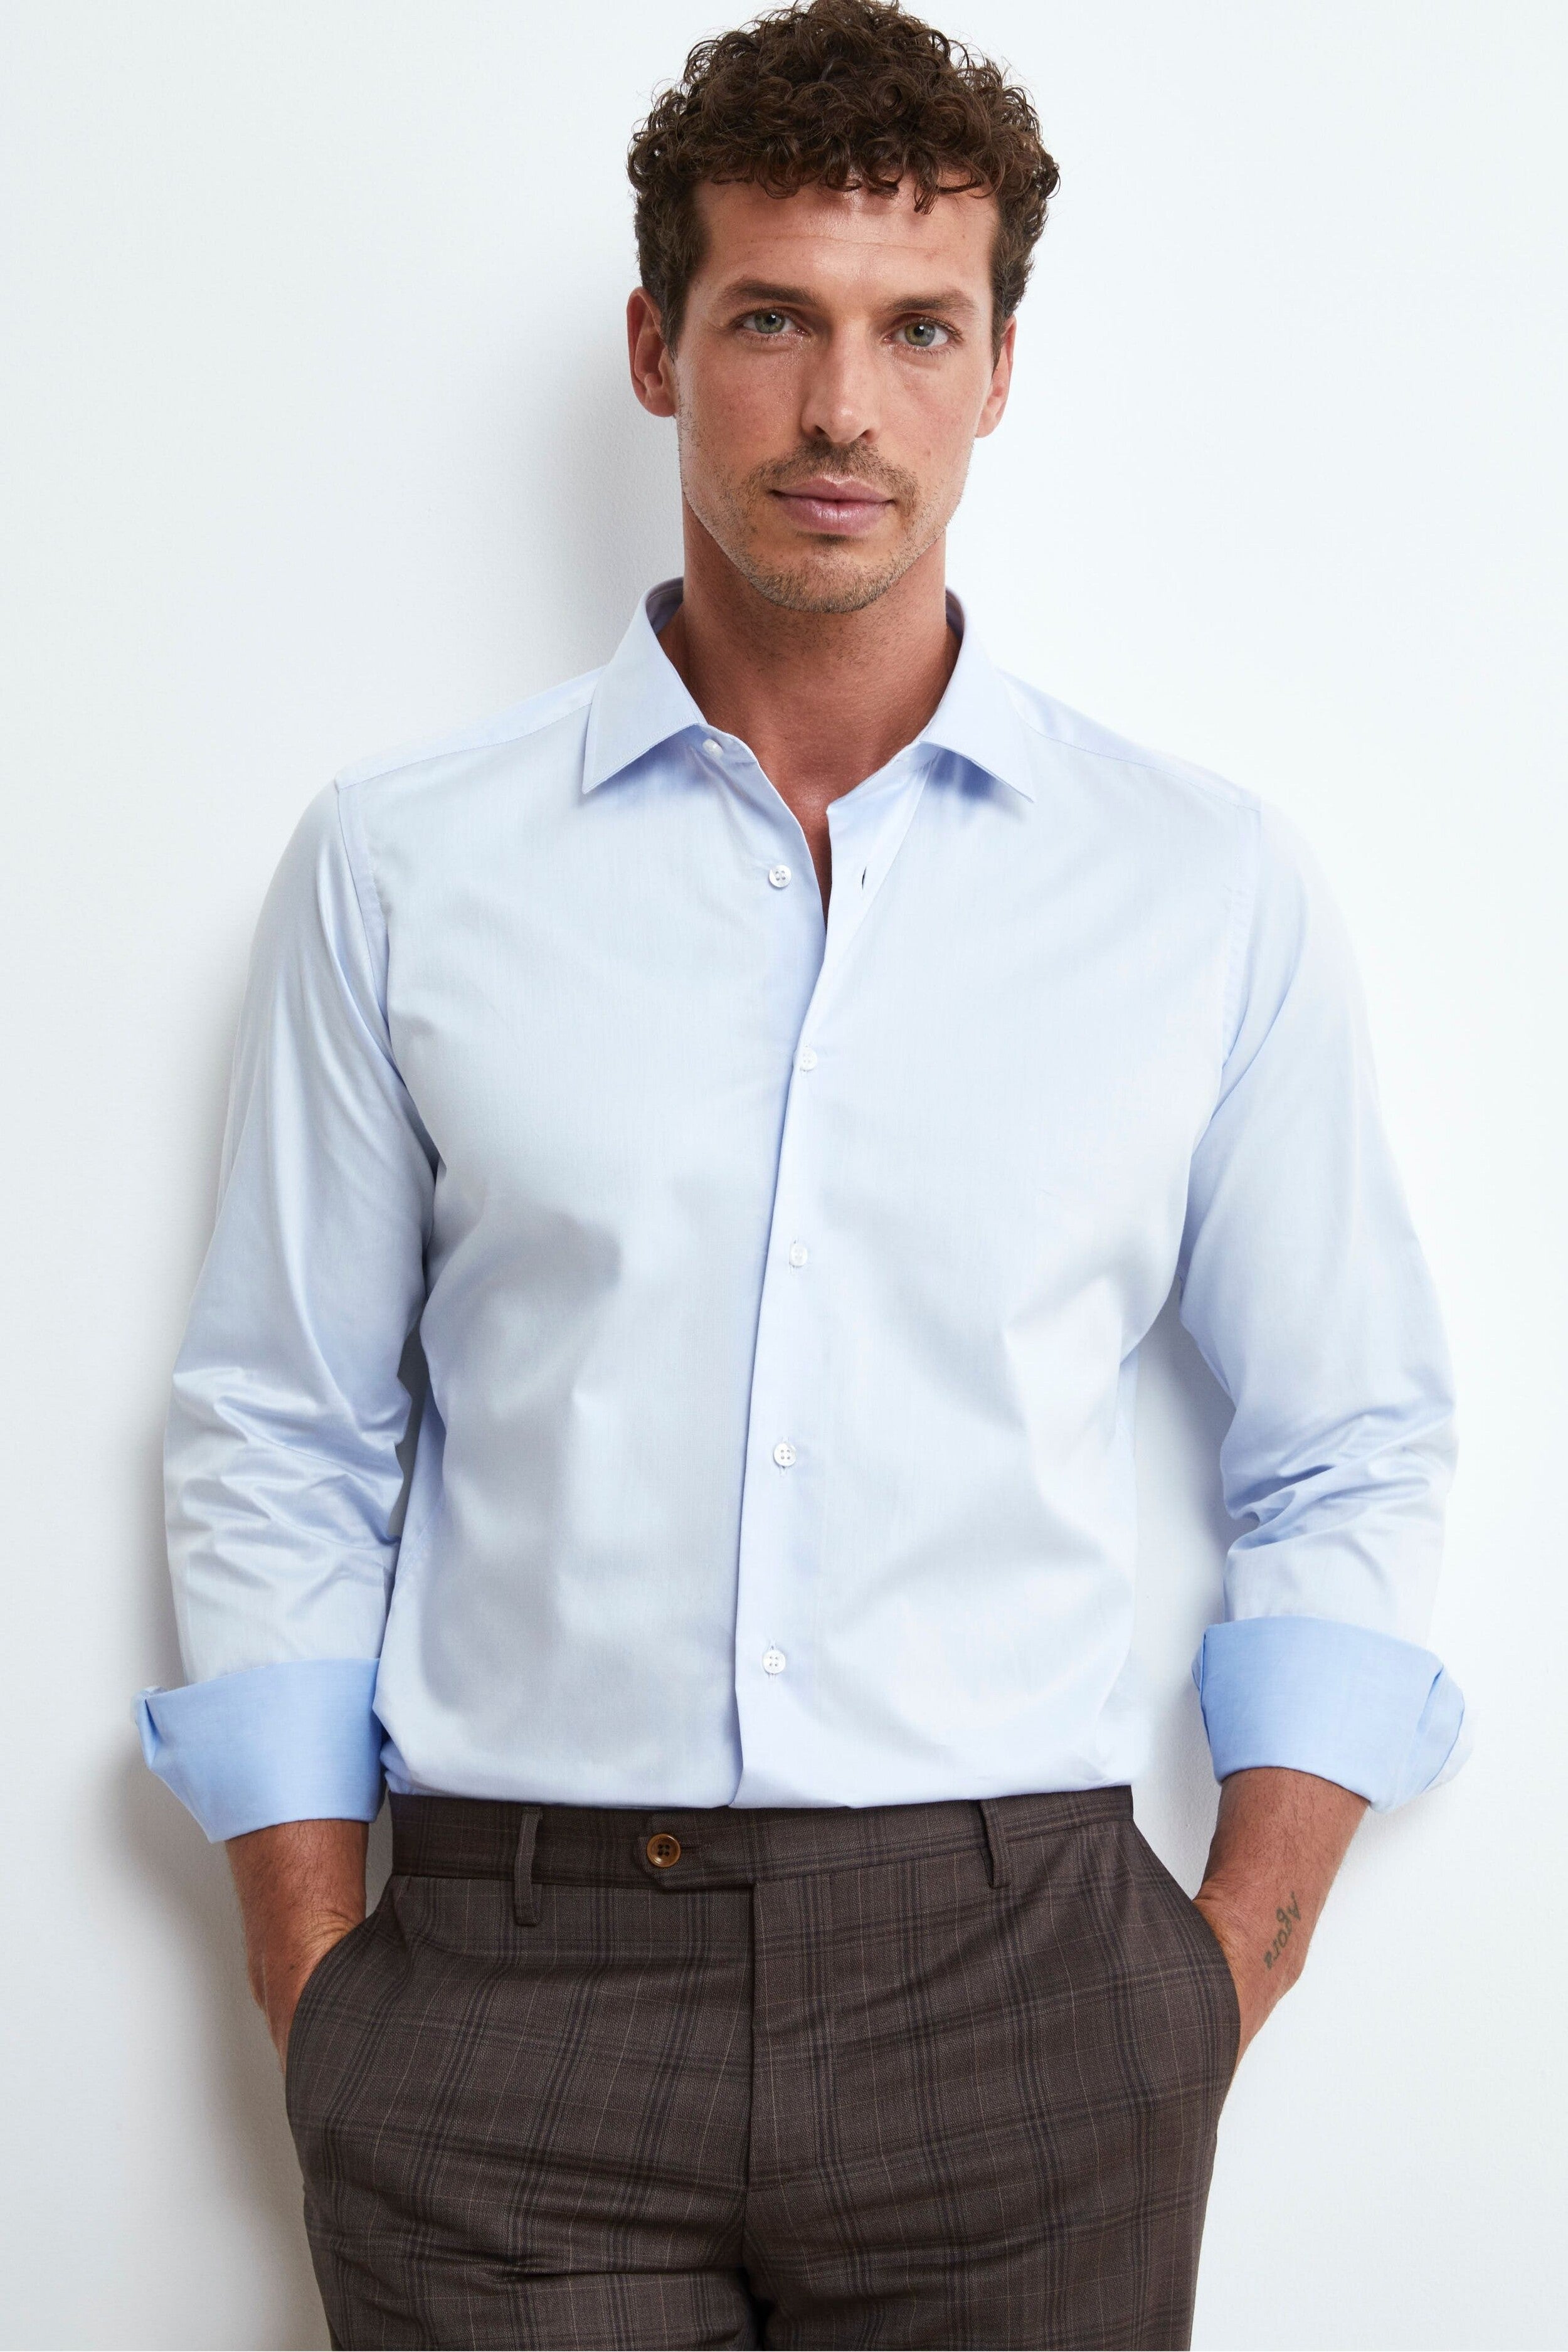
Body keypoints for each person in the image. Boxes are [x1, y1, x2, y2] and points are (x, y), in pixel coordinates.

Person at [135, 3, 1468, 2344]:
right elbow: (284, 1427)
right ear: (657, 349)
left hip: (1025, 1994)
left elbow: (1347, 1437)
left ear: (997, 370)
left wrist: (1220, 1965)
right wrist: (314, 1970)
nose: (841, 406)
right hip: (505, 1996)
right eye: (772, 319)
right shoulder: (402, 866)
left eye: (913, 327)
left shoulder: (1198, 887)